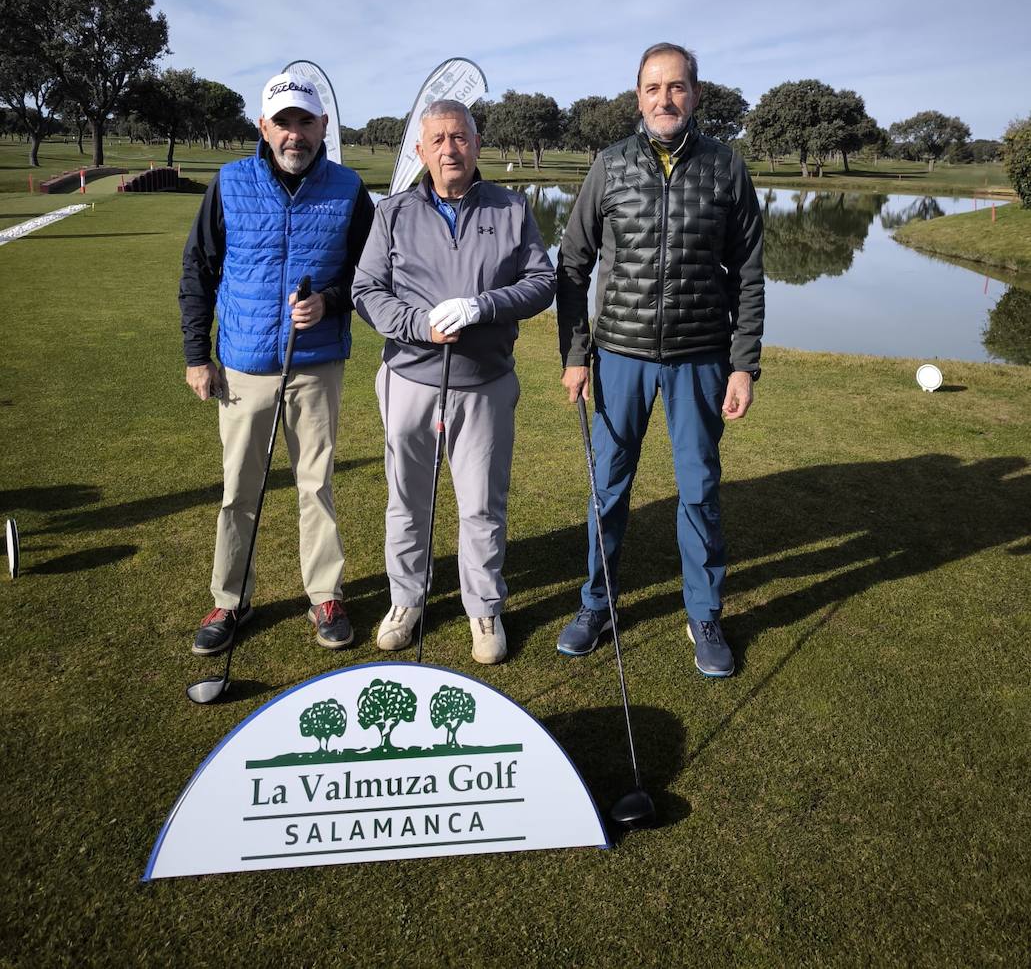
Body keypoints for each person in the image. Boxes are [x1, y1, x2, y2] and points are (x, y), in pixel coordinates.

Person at [555, 42, 764, 678]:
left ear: (695, 95)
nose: (665, 100)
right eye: (653, 88)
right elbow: (572, 263)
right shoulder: (608, 166)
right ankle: (597, 603)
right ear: (638, 95)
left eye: (677, 88)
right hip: (619, 356)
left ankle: (704, 613)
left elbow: (749, 272)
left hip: (701, 357)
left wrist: (742, 364)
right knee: (608, 487)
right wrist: (575, 354)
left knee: (699, 490)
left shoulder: (726, 168)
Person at [352, 99, 556, 665]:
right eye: (437, 140)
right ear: (421, 151)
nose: (449, 149)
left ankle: (484, 607)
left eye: (460, 137)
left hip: (484, 382)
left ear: (476, 143)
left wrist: (484, 307)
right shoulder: (391, 213)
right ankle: (405, 600)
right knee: (406, 502)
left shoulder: (512, 208)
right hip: (407, 379)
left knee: (481, 506)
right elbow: (366, 291)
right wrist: (419, 324)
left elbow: (542, 282)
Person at [179, 73, 374, 656]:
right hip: (243, 365)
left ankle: (325, 595)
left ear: (323, 127)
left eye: (305, 122)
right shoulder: (230, 182)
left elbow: (370, 277)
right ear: (263, 128)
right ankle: (230, 599)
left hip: (317, 367)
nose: (295, 134)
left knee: (316, 485)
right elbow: (199, 270)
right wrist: (197, 355)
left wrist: (329, 301)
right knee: (239, 490)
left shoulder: (349, 188)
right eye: (283, 122)